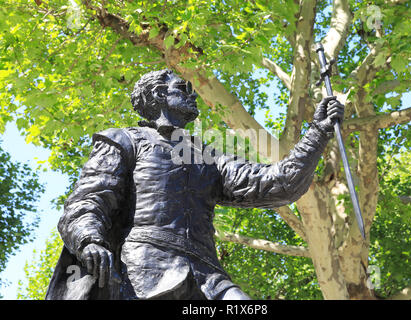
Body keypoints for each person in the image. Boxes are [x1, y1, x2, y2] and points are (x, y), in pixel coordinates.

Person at [46, 69, 344, 300]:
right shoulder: (124, 140)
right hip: (143, 267)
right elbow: (88, 200)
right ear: (160, 94)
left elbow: (278, 184)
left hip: (209, 274)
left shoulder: (207, 156)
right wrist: (89, 240)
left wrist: (318, 132)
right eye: (184, 88)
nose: (194, 95)